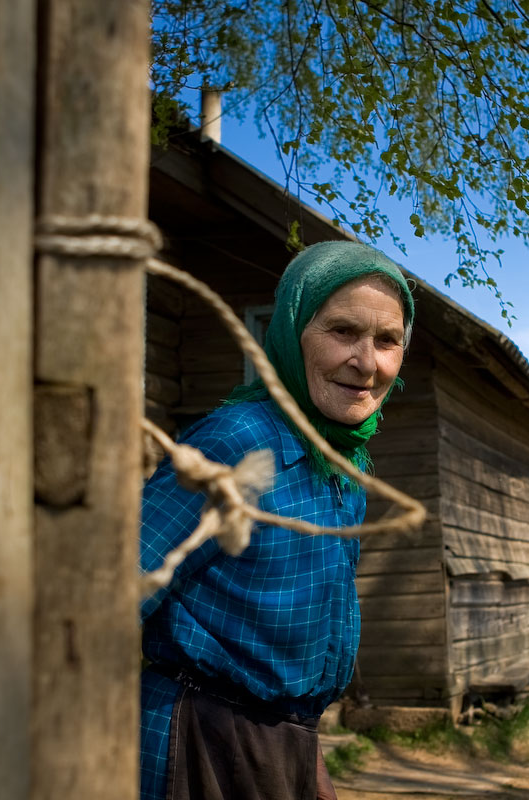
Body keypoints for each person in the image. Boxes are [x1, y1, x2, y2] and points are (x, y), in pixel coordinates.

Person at [138, 240, 415, 800]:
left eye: (387, 340)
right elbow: (109, 590)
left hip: (287, 742)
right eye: (342, 332)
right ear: (291, 332)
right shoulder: (239, 441)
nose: (367, 362)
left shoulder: (344, 464)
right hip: (199, 742)